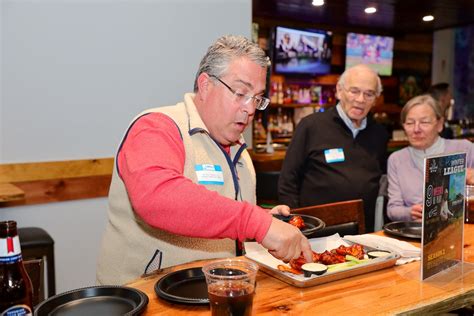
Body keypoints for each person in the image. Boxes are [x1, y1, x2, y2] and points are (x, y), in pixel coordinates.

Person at [96, 35, 312, 285]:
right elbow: (157, 197)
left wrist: (265, 218)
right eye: (241, 92)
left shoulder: (236, 144)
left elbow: (223, 214)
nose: (250, 108)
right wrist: (257, 223)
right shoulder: (156, 127)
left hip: (213, 292)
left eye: (257, 98)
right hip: (144, 297)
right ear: (206, 85)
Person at [278, 64, 389, 232]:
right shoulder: (311, 126)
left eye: (369, 94)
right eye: (354, 91)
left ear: (376, 98)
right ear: (339, 90)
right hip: (317, 231)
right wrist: (296, 225)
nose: (361, 99)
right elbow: (288, 181)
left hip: (363, 232)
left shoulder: (379, 133)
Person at [387, 94, 474, 222]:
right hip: (416, 233)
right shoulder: (397, 159)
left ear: (440, 124)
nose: (416, 129)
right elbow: (393, 209)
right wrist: (410, 211)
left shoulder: (464, 149)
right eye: (410, 123)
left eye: (424, 122)